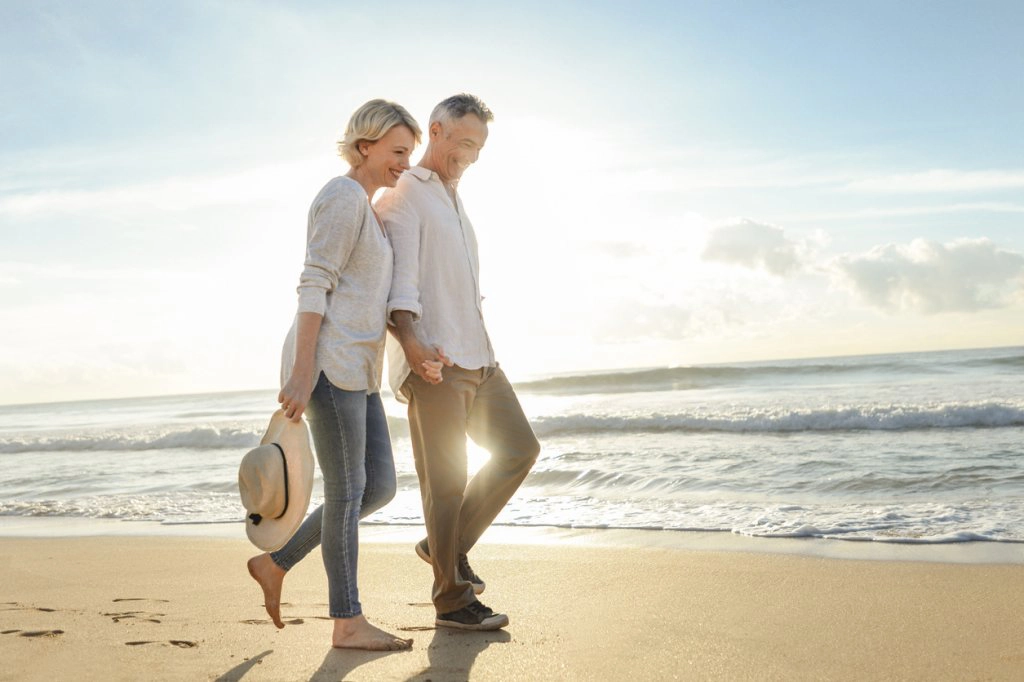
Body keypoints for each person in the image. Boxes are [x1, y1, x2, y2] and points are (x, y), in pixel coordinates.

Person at [246, 99, 436, 651]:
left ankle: (275, 563)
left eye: (409, 153)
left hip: (359, 369)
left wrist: (415, 347)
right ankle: (347, 622)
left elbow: (369, 300)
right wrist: (303, 369)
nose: (404, 163)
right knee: (349, 490)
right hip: (328, 365)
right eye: (397, 151)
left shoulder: (369, 211)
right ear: (364, 146)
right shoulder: (342, 196)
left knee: (377, 487)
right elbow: (314, 282)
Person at [376, 93, 541, 631]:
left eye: (479, 147)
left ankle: (443, 547)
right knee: (445, 483)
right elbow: (399, 283)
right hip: (437, 360)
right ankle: (451, 600)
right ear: (436, 131)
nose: (471, 155)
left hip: (480, 356)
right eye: (464, 142)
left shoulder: (453, 197)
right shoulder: (406, 192)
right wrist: (412, 344)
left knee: (519, 449)